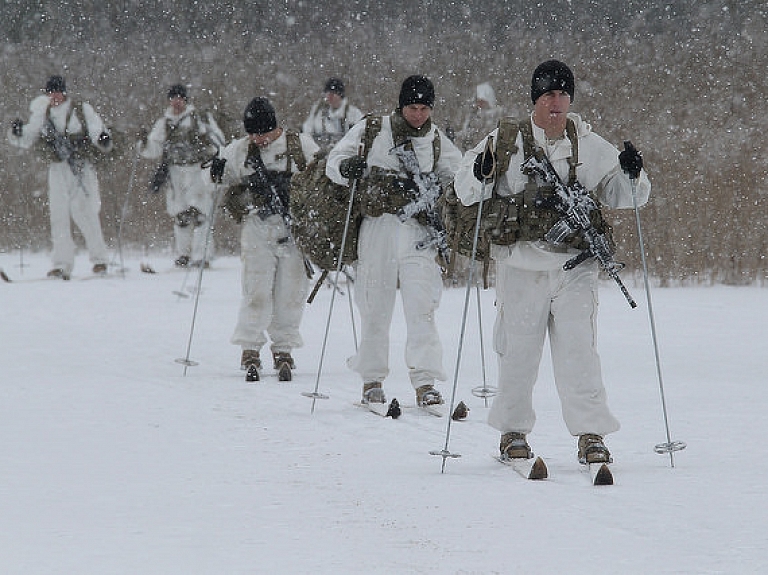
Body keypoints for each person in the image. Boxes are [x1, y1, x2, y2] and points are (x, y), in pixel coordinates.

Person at [453, 60, 651, 465]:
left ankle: (591, 434)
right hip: (521, 265)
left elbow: (626, 196)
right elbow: (466, 188)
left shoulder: (588, 143)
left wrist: (634, 173)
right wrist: (480, 171)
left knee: (580, 351)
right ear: (535, 100)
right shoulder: (506, 139)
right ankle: (512, 431)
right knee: (518, 353)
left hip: (574, 267)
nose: (556, 102)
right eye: (548, 95)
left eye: (562, 94)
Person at [326, 75, 462, 407]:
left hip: (418, 234)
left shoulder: (436, 140)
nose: (418, 115)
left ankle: (425, 381)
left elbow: (460, 176)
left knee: (422, 308)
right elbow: (334, 163)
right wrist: (349, 167)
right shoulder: (372, 129)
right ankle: (372, 379)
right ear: (401, 105)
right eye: (412, 107)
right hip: (378, 228)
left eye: (424, 108)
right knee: (374, 305)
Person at [209, 97, 319, 382]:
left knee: (291, 290)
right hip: (256, 225)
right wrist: (216, 173)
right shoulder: (239, 150)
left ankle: (284, 348)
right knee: (256, 288)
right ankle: (250, 346)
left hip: (294, 229)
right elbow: (219, 180)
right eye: (253, 133)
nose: (258, 139)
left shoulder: (300, 146)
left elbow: (323, 177)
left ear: (275, 127)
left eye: (263, 133)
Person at [7, 75, 112, 280]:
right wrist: (17, 132)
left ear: (64, 92)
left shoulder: (81, 109)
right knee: (59, 215)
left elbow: (96, 129)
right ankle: (62, 264)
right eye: (50, 92)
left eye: (57, 92)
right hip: (57, 168)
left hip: (80, 167)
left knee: (85, 212)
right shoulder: (43, 112)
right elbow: (28, 137)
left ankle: (99, 259)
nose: (54, 96)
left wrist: (102, 138)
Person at [141, 84, 226, 268]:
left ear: (185, 99)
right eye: (173, 98)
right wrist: (143, 142)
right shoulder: (164, 122)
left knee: (201, 214)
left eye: (179, 98)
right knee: (181, 214)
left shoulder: (200, 118)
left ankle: (201, 255)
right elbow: (153, 148)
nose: (176, 102)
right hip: (175, 171)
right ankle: (183, 254)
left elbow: (218, 139)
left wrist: (207, 145)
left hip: (198, 169)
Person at [301, 77, 364, 154]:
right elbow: (307, 131)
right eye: (328, 93)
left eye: (333, 94)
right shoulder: (318, 112)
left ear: (340, 95)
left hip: (343, 156)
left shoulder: (353, 113)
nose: (329, 97)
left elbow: (360, 135)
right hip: (319, 155)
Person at [455, 82, 506, 152]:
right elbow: (468, 132)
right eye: (478, 101)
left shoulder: (497, 116)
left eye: (482, 101)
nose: (479, 104)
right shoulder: (474, 115)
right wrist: (455, 135)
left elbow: (489, 136)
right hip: (472, 153)